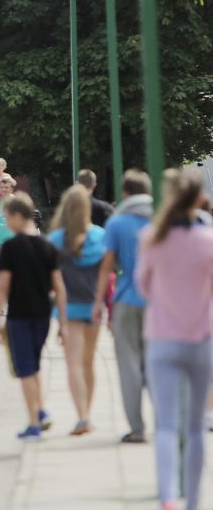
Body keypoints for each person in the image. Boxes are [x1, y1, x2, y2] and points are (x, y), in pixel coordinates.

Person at [136, 168, 213, 510]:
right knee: (196, 427)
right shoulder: (209, 239)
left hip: (163, 338)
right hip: (202, 337)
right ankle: (194, 502)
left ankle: (168, 496)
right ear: (199, 198)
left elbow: (143, 285)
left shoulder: (152, 237)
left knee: (166, 424)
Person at [0, 192, 68, 441]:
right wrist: (63, 324)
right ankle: (41, 410)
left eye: (7, 218)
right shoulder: (47, 246)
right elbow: (59, 287)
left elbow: (3, 286)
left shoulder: (10, 248)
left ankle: (34, 422)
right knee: (34, 363)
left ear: (17, 216)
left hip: (19, 315)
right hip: (43, 316)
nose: (6, 223)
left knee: (25, 369)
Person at [93, 170, 153, 443]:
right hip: (159, 301)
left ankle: (137, 428)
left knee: (128, 364)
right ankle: (165, 421)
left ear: (126, 193)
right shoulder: (161, 219)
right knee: (157, 362)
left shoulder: (118, 223)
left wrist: (99, 303)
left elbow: (107, 264)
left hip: (127, 298)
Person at [49, 185, 106, 436]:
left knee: (73, 363)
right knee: (88, 362)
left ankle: (81, 416)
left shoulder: (55, 240)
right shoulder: (100, 237)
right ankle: (88, 415)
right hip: (93, 305)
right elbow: (108, 275)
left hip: (68, 308)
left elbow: (52, 282)